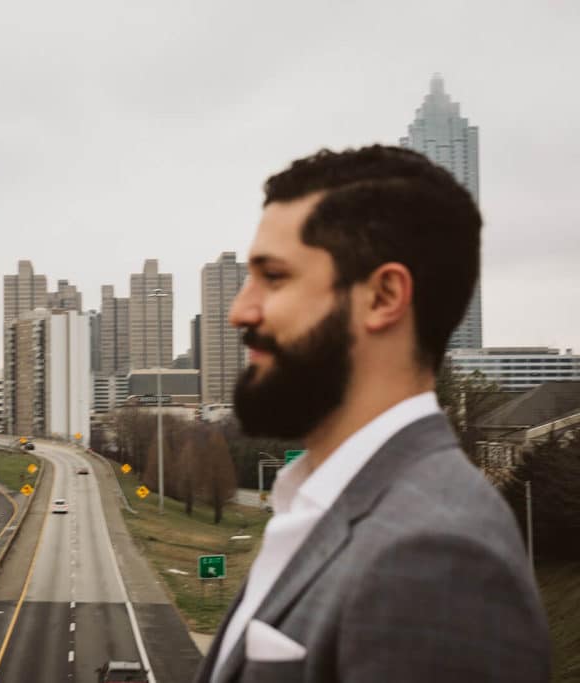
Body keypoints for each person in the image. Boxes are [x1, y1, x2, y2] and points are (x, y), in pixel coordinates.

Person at [194, 146, 550, 683]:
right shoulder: (321, 503)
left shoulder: (435, 559)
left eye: (275, 277)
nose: (239, 311)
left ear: (383, 297)